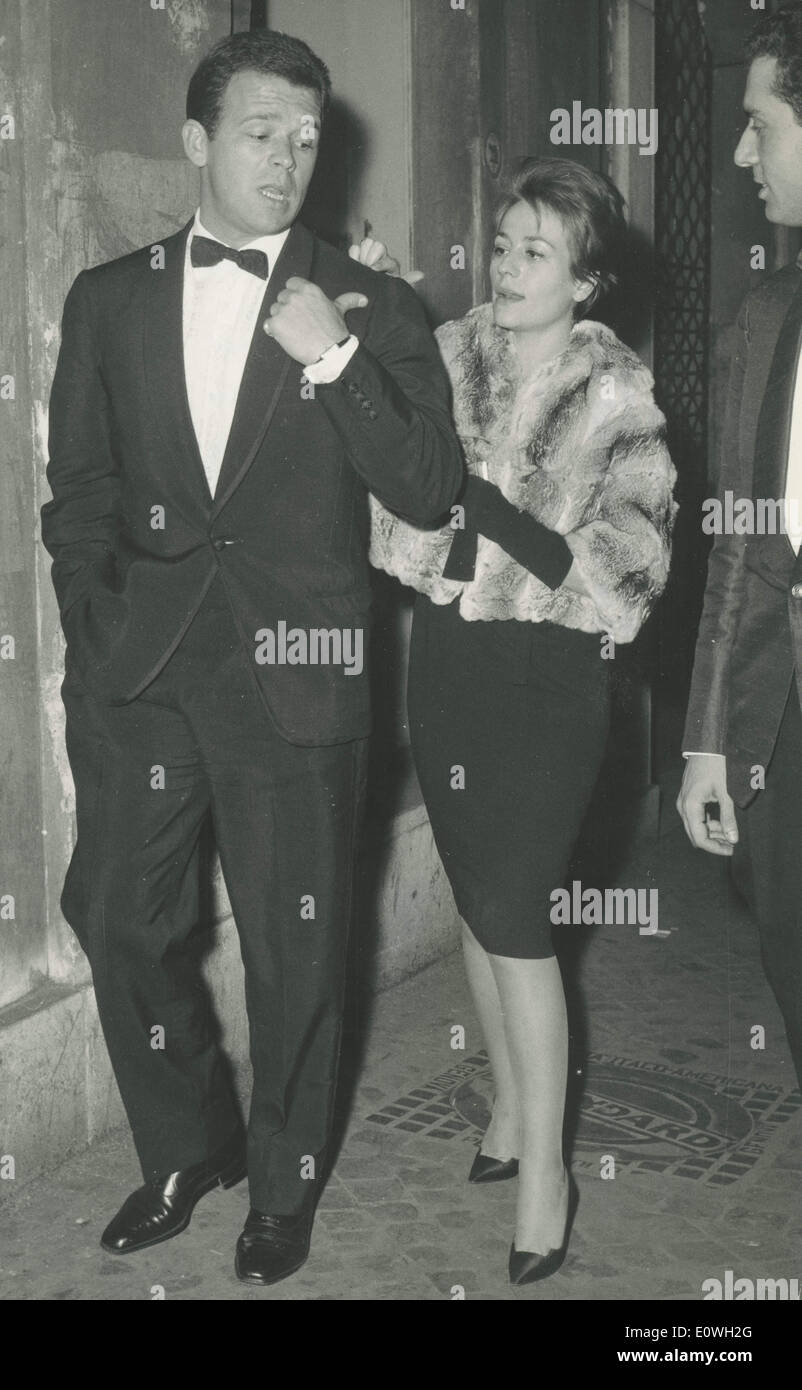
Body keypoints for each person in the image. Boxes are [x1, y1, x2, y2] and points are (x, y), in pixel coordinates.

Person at [39, 29, 462, 1288]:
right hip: (144, 669)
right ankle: (187, 1144)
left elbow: (431, 485)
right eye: (259, 132)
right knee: (117, 914)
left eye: (306, 136)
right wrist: (95, 622)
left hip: (301, 669)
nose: (287, 158)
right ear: (194, 143)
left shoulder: (370, 305)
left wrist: (330, 356)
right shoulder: (107, 299)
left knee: (297, 947)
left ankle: (280, 1185)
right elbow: (79, 494)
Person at [363, 157, 676, 1283]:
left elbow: (625, 574)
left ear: (584, 280)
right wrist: (447, 534)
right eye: (500, 242)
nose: (504, 265)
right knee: (471, 891)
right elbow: (395, 512)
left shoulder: (617, 395)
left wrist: (485, 516)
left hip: (551, 684)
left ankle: (546, 1173)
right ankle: (503, 1112)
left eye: (534, 250)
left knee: (513, 912)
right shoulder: (443, 357)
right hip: (450, 665)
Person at [678, 4, 802, 1091]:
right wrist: (708, 739)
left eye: (757, 124)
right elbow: (738, 544)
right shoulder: (763, 316)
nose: (736, 153)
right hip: (783, 728)